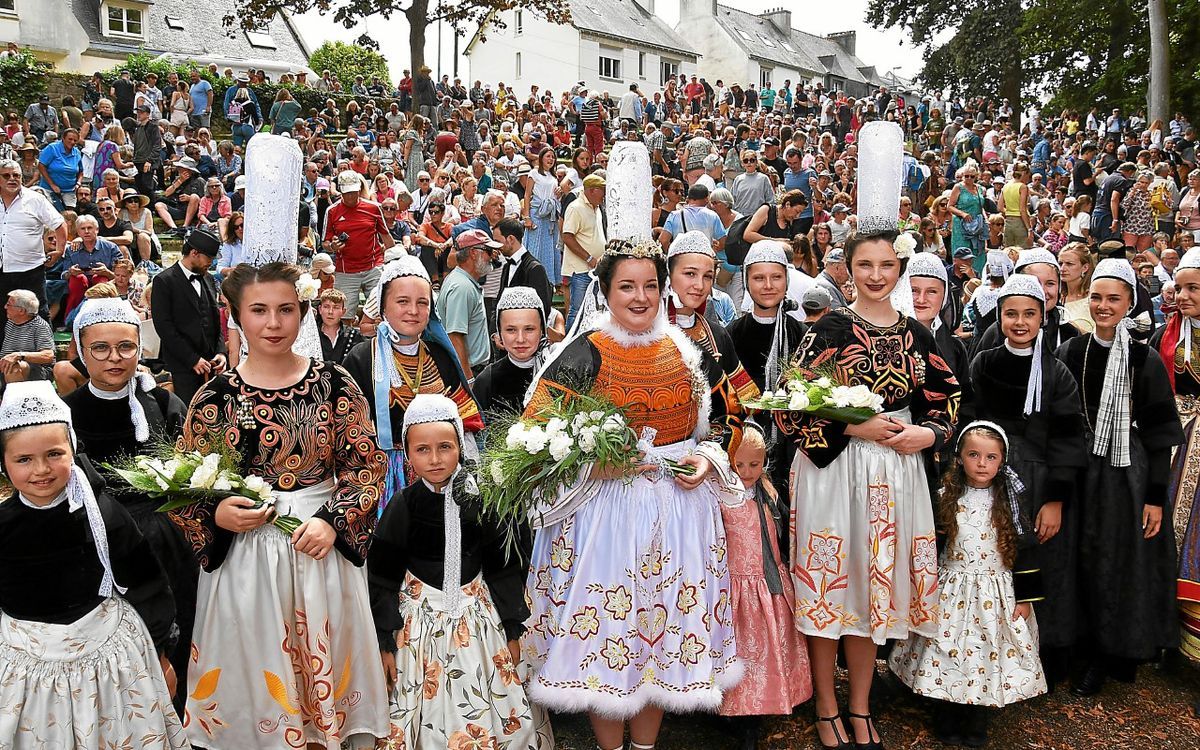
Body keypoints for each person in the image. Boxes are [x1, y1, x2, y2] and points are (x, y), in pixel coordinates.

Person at [521, 238, 743, 750]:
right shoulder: (581, 354)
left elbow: (729, 418)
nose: (640, 297)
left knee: (661, 638)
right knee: (611, 638)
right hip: (605, 519)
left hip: (680, 515)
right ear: (604, 291)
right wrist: (594, 462)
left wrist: (708, 458)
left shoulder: (686, 352)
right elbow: (534, 437)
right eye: (627, 286)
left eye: (650, 285)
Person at [168, 262, 388, 749]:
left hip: (317, 551)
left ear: (303, 312)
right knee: (257, 670)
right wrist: (216, 514)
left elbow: (368, 467)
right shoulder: (215, 397)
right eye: (259, 310)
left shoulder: (335, 385)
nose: (273, 323)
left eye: (286, 310)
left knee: (320, 671)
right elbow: (185, 484)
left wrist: (333, 521)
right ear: (236, 315)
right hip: (244, 564)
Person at [777, 229, 959, 750]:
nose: (877, 275)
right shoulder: (830, 327)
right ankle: (826, 707)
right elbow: (789, 404)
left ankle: (860, 705)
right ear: (848, 269)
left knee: (871, 589)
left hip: (896, 471)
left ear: (898, 269)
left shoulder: (917, 334)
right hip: (833, 471)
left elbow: (947, 398)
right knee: (830, 583)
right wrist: (854, 427)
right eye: (865, 265)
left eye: (886, 265)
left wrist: (928, 434)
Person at [0, 380, 186, 748]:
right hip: (27, 671)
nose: (41, 470)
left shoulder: (101, 514)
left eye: (54, 454)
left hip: (108, 664)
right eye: (24, 459)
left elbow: (145, 579)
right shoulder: (3, 525)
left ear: (73, 448)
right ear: (3, 464)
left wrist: (162, 652)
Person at [368, 394, 553, 749]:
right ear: (407, 454)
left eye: (445, 447)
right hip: (419, 629)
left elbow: (503, 567)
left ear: (461, 446)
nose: (435, 459)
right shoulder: (403, 506)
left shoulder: (482, 499)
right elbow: (382, 576)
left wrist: (512, 630)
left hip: (479, 624)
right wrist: (385, 642)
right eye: (422, 450)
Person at [1055, 258, 1184, 695]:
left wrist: (1154, 497)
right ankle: (1076, 645)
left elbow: (1161, 431)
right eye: (1096, 297)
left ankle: (1111, 653)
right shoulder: (1072, 350)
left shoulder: (1144, 359)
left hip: (1125, 475)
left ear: (1130, 301)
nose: (1103, 305)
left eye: (1114, 298)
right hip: (1080, 471)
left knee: (1117, 564)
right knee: (1078, 560)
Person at [63, 298, 196, 711]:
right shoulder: (67, 415)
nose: (114, 358)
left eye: (126, 347)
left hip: (171, 547)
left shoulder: (161, 406)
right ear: (82, 353)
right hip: (101, 551)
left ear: (140, 349)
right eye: (100, 348)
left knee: (180, 645)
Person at [889, 422, 1047, 747]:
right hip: (952, 591)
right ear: (960, 457)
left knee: (986, 655)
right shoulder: (947, 496)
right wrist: (923, 585)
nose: (982, 463)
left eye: (991, 457)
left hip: (994, 594)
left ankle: (976, 721)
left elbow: (1025, 547)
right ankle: (946, 715)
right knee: (947, 651)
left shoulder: (1009, 500)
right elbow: (932, 544)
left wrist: (1026, 597)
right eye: (974, 455)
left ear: (1001, 461)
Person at [968, 274, 1088, 689]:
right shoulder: (984, 362)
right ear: (999, 316)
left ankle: (1040, 659)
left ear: (1043, 316)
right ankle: (983, 656)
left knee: (1040, 568)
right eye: (1011, 313)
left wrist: (1055, 499)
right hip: (988, 474)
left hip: (1038, 482)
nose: (1020, 322)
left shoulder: (1057, 374)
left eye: (1029, 314)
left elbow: (1070, 442)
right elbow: (970, 421)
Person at [342, 256, 484, 505]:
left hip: (443, 480)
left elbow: (466, 419)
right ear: (383, 306)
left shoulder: (440, 356)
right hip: (380, 480)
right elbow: (347, 430)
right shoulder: (362, 358)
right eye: (402, 301)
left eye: (422, 302)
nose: (413, 311)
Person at [720, 421, 812, 749]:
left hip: (766, 584)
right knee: (736, 648)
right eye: (739, 464)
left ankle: (755, 714)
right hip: (733, 586)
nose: (746, 471)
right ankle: (728, 709)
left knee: (762, 648)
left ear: (765, 463)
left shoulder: (769, 493)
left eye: (754, 464)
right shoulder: (721, 493)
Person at [1150, 247, 1200, 669]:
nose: (1182, 296)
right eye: (1180, 287)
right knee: (1167, 528)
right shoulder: (1168, 331)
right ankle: (1168, 636)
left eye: (1193, 288)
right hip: (1175, 440)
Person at [150, 227, 227, 404]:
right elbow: (164, 327)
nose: (212, 262)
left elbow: (216, 321)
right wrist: (192, 359)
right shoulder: (164, 280)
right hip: (182, 367)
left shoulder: (207, 278)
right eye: (209, 257)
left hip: (212, 364)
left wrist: (221, 352)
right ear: (194, 253)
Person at [728, 241, 806, 392]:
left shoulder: (801, 334)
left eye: (776, 277)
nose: (768, 285)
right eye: (759, 278)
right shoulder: (731, 335)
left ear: (786, 280)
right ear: (747, 282)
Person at [0, 158, 67, 322]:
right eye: (6, 175)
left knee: (38, 313)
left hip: (30, 269)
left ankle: (45, 347)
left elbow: (59, 224)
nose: (12, 179)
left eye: (16, 175)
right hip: (1, 269)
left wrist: (59, 250)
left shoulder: (35, 199)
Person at [324, 170, 395, 318]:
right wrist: (333, 246)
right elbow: (325, 242)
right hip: (346, 270)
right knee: (342, 316)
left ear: (359, 189)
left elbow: (386, 236)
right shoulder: (332, 211)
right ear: (341, 192)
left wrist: (394, 260)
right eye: (347, 192)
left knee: (382, 312)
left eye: (353, 192)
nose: (351, 196)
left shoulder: (373, 208)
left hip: (374, 266)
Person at [474, 286, 546, 420]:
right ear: (499, 333)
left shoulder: (556, 371)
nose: (520, 339)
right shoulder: (487, 381)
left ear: (542, 330)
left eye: (529, 329)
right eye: (511, 330)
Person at [437, 229, 497, 379]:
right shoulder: (461, 287)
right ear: (473, 253)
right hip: (469, 371)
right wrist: (468, 379)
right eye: (488, 251)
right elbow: (455, 336)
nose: (492, 256)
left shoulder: (463, 282)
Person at [562, 174, 607, 329]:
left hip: (595, 269)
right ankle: (569, 349)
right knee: (577, 311)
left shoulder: (597, 208)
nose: (605, 194)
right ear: (592, 191)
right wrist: (589, 259)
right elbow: (567, 237)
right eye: (603, 190)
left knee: (592, 312)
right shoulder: (575, 207)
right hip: (581, 270)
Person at [61, 214, 122, 317]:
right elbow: (63, 275)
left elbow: (122, 275)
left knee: (100, 278)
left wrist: (107, 273)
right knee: (78, 279)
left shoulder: (110, 247)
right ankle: (72, 318)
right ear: (78, 232)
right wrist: (71, 272)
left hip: (103, 286)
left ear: (97, 229)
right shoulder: (71, 250)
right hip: (79, 286)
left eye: (89, 228)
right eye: (83, 229)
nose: (86, 231)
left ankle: (103, 315)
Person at [496, 216, 553, 319]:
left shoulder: (535, 269)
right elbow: (499, 303)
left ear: (510, 239)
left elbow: (543, 309)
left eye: (498, 241)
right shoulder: (506, 267)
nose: (496, 246)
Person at [0, 289, 54, 382]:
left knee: (13, 367)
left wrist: (20, 355)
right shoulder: (10, 323)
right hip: (6, 366)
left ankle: (15, 396)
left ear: (21, 311)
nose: (5, 307)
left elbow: (48, 356)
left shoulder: (40, 326)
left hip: (36, 371)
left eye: (9, 305)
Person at [950, 165, 988, 273]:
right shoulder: (958, 187)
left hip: (977, 225)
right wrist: (962, 214)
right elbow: (950, 206)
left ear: (976, 176)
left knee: (978, 251)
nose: (969, 179)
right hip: (962, 225)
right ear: (962, 176)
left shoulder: (979, 188)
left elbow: (980, 207)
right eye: (966, 176)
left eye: (972, 176)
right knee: (962, 251)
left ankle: (977, 276)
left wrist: (985, 219)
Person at [38, 127, 83, 211]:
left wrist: (78, 183)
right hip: (49, 188)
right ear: (63, 138)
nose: (72, 142)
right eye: (70, 139)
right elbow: (41, 166)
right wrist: (52, 184)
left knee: (69, 215)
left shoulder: (77, 152)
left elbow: (81, 171)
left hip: (70, 190)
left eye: (75, 140)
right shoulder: (52, 148)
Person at [316, 287, 363, 364]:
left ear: (343, 311)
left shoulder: (354, 336)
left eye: (336, 307)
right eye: (326, 307)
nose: (330, 312)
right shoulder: (311, 334)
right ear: (320, 309)